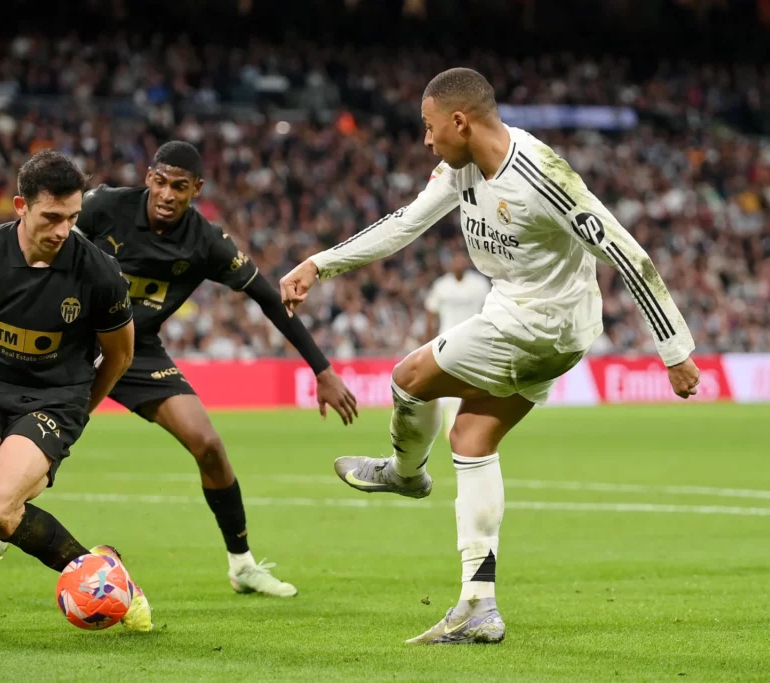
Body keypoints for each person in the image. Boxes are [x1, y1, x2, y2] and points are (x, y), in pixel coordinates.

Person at [279, 68, 700, 645]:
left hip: (538, 324)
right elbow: (404, 222)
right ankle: (479, 606)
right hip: (541, 327)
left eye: (429, 128)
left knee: (408, 379)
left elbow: (626, 250)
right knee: (472, 442)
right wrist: (319, 264)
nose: (426, 141)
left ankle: (403, 474)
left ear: (460, 121)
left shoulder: (542, 175)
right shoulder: (463, 168)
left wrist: (674, 350)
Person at [0, 140, 353, 598]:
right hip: (75, 341)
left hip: (137, 349)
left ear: (196, 189)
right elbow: (39, 242)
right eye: (160, 182)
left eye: (179, 187)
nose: (166, 194)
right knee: (47, 447)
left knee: (208, 445)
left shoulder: (207, 241)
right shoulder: (104, 207)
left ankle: (241, 564)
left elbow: (266, 296)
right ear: (148, 178)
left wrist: (321, 368)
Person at [0, 149, 151, 638]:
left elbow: (121, 356)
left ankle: (108, 579)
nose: (63, 229)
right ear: (20, 205)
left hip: (54, 400)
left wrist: (76, 414)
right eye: (52, 216)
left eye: (72, 217)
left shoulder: (98, 272)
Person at [424, 252, 490, 438]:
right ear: (450, 264)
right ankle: (451, 421)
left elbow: (489, 309)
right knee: (452, 381)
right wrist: (427, 342)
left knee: (473, 382)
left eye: (461, 260)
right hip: (447, 340)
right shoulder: (441, 286)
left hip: (474, 339)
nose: (458, 263)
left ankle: (473, 421)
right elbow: (431, 313)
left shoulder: (479, 284)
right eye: (455, 260)